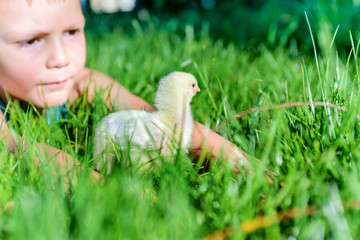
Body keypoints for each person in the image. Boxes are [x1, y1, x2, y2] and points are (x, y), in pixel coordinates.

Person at [0, 0, 248, 183]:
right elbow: (12, 148)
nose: (61, 58)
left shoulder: (78, 81)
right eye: (30, 41)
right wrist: (107, 192)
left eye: (71, 32)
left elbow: (159, 119)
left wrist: (241, 164)